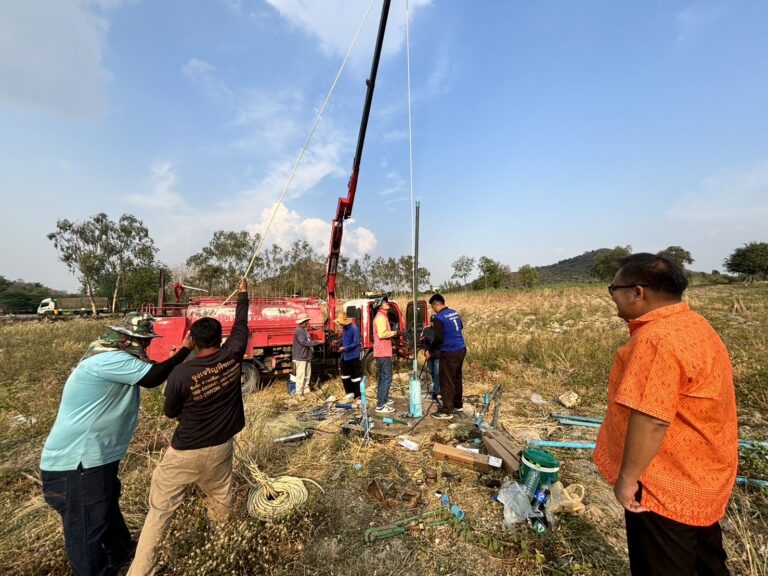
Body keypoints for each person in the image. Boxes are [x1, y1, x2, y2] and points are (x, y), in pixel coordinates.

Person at [593, 253, 737, 576]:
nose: (613, 296)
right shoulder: (696, 325)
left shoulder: (656, 339)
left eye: (613, 289)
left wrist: (627, 480)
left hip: (663, 485)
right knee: (707, 563)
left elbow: (652, 417)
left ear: (637, 293)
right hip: (702, 477)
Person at [40, 313, 193, 576]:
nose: (145, 347)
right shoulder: (111, 359)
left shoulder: (108, 358)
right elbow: (153, 377)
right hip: (79, 464)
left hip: (94, 460)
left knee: (106, 509)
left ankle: (123, 555)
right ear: (126, 339)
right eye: (142, 342)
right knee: (87, 529)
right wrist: (184, 351)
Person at [128, 278, 250, 576]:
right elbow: (241, 324)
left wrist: (182, 354)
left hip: (185, 453)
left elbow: (170, 412)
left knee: (160, 513)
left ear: (192, 341)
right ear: (220, 339)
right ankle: (224, 554)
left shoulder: (181, 373)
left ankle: (141, 570)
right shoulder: (233, 353)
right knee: (221, 506)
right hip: (221, 448)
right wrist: (244, 293)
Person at [428, 294, 466, 421]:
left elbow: (438, 338)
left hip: (449, 352)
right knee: (456, 377)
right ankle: (458, 404)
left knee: (447, 380)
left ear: (436, 305)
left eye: (433, 307)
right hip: (461, 349)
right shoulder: (453, 313)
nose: (433, 310)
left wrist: (430, 351)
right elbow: (460, 327)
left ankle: (446, 410)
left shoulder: (438, 318)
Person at [373, 296, 399, 414]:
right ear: (379, 305)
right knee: (386, 377)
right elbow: (382, 334)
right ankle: (381, 405)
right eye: (384, 302)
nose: (387, 303)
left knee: (384, 377)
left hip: (383, 351)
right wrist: (395, 332)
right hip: (383, 352)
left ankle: (383, 399)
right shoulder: (380, 318)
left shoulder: (383, 317)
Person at [292, 313, 322, 398]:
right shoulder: (299, 331)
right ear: (302, 322)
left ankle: (306, 390)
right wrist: (317, 342)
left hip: (306, 356)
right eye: (306, 321)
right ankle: (299, 393)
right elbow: (304, 342)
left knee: (307, 374)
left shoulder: (303, 330)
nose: (307, 323)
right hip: (301, 356)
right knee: (301, 375)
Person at [336, 311, 362, 402]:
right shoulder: (344, 329)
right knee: (345, 376)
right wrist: (338, 342)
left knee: (356, 377)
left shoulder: (354, 329)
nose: (339, 324)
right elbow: (344, 339)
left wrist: (344, 348)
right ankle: (349, 393)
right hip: (345, 356)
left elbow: (356, 342)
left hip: (353, 356)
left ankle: (358, 396)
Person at [420, 319, 440, 401]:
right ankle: (437, 387)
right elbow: (421, 340)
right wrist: (426, 351)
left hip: (437, 355)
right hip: (428, 355)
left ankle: (436, 392)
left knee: (437, 373)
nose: (433, 323)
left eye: (435, 322)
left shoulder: (440, 330)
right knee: (432, 372)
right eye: (432, 321)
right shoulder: (426, 329)